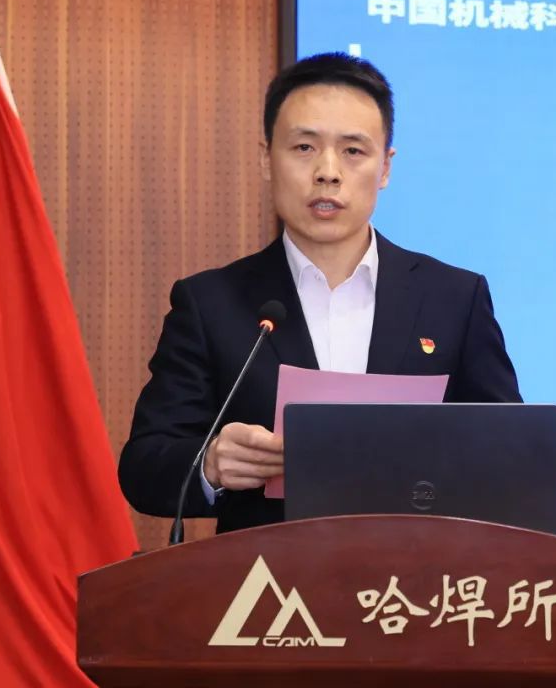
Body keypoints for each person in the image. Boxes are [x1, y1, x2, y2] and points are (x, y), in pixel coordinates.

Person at [118, 52, 521, 533]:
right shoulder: (210, 303)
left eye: (353, 151)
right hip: (265, 574)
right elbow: (144, 467)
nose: (328, 172)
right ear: (267, 158)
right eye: (304, 147)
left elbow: (511, 454)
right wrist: (210, 464)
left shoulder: (454, 298)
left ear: (385, 167)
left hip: (414, 572)